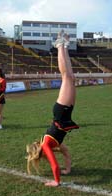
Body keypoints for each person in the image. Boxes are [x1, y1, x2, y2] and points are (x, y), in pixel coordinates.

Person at [26, 30, 79, 187]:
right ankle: (65, 46)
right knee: (71, 78)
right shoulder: (53, 144)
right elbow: (67, 153)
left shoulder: (47, 145)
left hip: (61, 110)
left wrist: (56, 181)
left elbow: (54, 165)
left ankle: (60, 45)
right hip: (65, 112)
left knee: (66, 77)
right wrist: (67, 169)